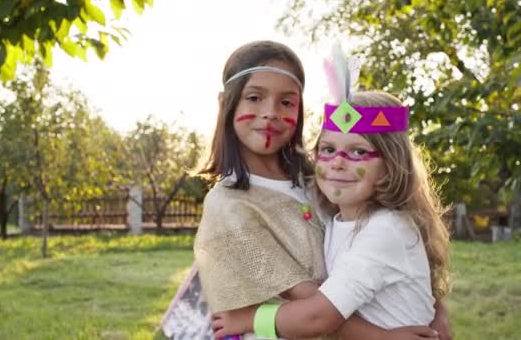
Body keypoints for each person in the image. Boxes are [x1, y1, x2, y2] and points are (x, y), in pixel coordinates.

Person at [162, 40, 449, 339]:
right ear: (227, 103)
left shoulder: (321, 179)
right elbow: (315, 306)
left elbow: (392, 256)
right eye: (255, 97)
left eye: (286, 102)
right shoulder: (229, 204)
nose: (270, 112)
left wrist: (433, 310)